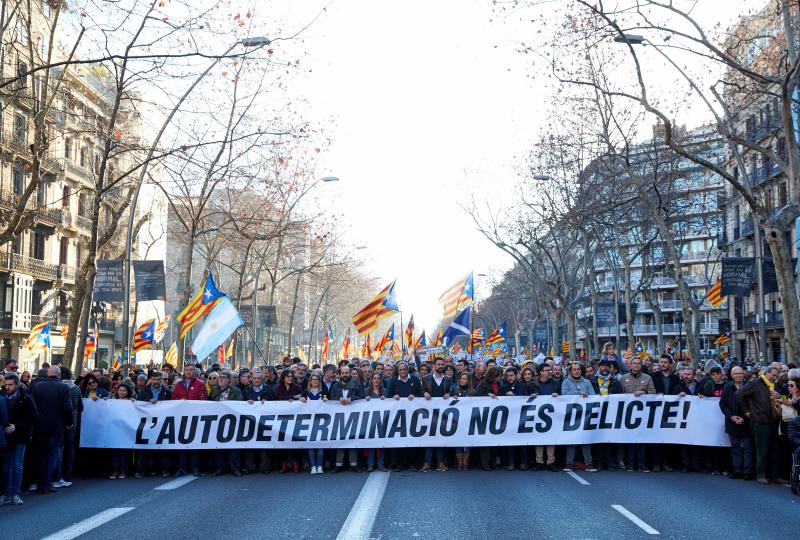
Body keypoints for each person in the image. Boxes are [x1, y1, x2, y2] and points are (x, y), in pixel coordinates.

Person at [31, 365, 73, 495]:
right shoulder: (63, 387)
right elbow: (68, 408)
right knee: (52, 455)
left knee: (41, 455)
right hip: (56, 427)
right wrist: (69, 423)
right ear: (59, 375)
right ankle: (47, 483)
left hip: (40, 427)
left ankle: (40, 483)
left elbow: (33, 406)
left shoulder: (37, 387)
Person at [736, 365, 781, 484]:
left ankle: (774, 475)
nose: (774, 378)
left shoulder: (774, 385)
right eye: (773, 375)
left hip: (773, 420)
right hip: (760, 421)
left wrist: (779, 396)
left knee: (775, 450)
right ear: (767, 373)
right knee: (762, 450)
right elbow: (739, 394)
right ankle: (761, 474)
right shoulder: (755, 383)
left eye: (776, 376)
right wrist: (746, 411)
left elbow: (783, 399)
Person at [2, 373, 37, 506]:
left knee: (17, 465)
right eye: (6, 385)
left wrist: (17, 426)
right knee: (6, 466)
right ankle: (6, 494)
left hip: (21, 436)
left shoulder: (25, 397)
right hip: (6, 436)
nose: (8, 387)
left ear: (16, 384)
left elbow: (34, 416)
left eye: (10, 385)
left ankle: (15, 493)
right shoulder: (3, 397)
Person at [619, 357, 656, 472]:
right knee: (630, 440)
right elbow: (618, 395)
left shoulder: (647, 377)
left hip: (643, 414)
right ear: (630, 365)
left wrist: (644, 392)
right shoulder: (623, 378)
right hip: (628, 414)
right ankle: (630, 464)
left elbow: (653, 392)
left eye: (638, 364)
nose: (636, 366)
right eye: (634, 363)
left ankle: (642, 464)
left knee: (642, 440)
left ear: (641, 365)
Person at [171, 363, 207, 477]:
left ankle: (195, 468)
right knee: (182, 444)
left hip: (195, 418)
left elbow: (203, 400)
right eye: (186, 370)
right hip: (181, 418)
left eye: (191, 370)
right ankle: (182, 468)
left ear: (195, 371)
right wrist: (180, 400)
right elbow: (173, 399)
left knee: (194, 444)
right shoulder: (179, 385)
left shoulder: (200, 384)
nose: (189, 372)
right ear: (184, 371)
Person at [387, 362, 423, 471]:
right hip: (398, 415)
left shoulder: (415, 380)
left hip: (412, 415)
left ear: (408, 370)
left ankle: (411, 463)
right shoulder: (393, 381)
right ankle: (398, 464)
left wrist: (415, 395)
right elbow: (389, 395)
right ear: (397, 371)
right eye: (400, 370)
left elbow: (420, 393)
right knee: (399, 439)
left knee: (411, 439)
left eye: (404, 369)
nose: (402, 372)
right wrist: (394, 396)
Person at [720, 365, 753, 480]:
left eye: (740, 373)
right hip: (732, 422)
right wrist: (731, 417)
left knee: (748, 448)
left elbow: (753, 404)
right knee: (735, 447)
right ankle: (737, 469)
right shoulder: (727, 386)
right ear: (732, 375)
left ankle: (747, 471)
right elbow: (722, 404)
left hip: (747, 422)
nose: (738, 375)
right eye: (736, 374)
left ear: (744, 374)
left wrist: (745, 416)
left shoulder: (750, 386)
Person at [561, 363, 596, 472]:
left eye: (578, 369)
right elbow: (564, 394)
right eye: (574, 369)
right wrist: (578, 393)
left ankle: (588, 463)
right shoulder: (566, 382)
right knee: (571, 439)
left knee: (585, 439)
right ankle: (569, 463)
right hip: (571, 415)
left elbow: (593, 396)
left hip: (585, 415)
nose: (576, 371)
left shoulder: (587, 382)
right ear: (570, 371)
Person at [136, 371, 171, 478]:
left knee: (163, 447)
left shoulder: (167, 392)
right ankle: (143, 470)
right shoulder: (145, 391)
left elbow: (171, 404)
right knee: (145, 447)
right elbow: (139, 402)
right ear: (151, 380)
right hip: (147, 422)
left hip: (162, 422)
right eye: (154, 379)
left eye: (158, 379)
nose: (156, 381)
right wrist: (148, 400)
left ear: (161, 380)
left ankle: (164, 469)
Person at [330, 365, 364, 472]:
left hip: (353, 416)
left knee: (352, 439)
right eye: (343, 373)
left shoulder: (357, 384)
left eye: (347, 373)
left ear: (350, 374)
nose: (345, 375)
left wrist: (352, 398)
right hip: (339, 417)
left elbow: (361, 397)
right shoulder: (335, 385)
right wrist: (338, 398)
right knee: (340, 440)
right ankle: (339, 464)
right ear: (340, 374)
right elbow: (331, 398)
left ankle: (354, 464)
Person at [209, 371, 243, 477]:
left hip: (232, 422)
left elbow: (240, 404)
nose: (220, 379)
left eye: (223, 377)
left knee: (233, 446)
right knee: (219, 446)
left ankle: (235, 468)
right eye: (219, 378)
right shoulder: (214, 390)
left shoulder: (236, 391)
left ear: (229, 380)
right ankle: (220, 467)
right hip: (218, 422)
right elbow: (208, 404)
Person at [421, 357, 451, 472]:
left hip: (443, 413)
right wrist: (424, 393)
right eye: (438, 364)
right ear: (433, 366)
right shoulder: (426, 379)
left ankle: (440, 462)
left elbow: (450, 391)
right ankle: (427, 462)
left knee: (440, 437)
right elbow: (420, 391)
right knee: (429, 438)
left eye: (442, 364)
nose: (440, 366)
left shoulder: (448, 379)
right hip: (429, 412)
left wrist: (448, 393)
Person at [54, 366, 81, 489]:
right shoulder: (75, 389)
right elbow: (80, 407)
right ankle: (68, 474)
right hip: (72, 422)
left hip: (59, 422)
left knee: (59, 449)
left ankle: (57, 475)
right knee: (70, 449)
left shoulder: (57, 388)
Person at [243, 368, 274, 475]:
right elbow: (241, 404)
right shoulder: (246, 390)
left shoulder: (268, 389)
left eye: (259, 378)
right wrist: (246, 402)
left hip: (264, 422)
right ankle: (250, 467)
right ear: (251, 379)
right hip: (250, 421)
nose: (256, 380)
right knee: (250, 444)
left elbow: (275, 402)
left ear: (262, 379)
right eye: (255, 378)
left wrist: (268, 402)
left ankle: (265, 467)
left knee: (264, 445)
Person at [274, 370, 303, 473]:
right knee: (283, 442)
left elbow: (301, 397)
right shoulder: (278, 388)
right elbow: (277, 397)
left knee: (294, 442)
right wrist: (291, 397)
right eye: (287, 376)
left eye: (291, 376)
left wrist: (294, 398)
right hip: (282, 418)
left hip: (294, 418)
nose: (290, 378)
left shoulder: (297, 388)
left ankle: (296, 464)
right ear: (283, 378)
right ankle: (284, 464)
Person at [534, 363, 560, 471]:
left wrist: (557, 395)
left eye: (550, 370)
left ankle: (550, 462)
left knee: (550, 438)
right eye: (546, 370)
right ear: (541, 372)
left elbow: (561, 397)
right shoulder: (533, 383)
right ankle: (539, 461)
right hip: (537, 415)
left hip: (551, 415)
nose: (549, 372)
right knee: (538, 439)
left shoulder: (555, 383)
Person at [300, 372, 326, 474]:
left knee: (320, 445)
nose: (315, 381)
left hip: (321, 422)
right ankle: (313, 466)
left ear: (319, 381)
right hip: (309, 421)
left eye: (317, 379)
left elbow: (327, 400)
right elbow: (301, 400)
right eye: (313, 379)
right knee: (310, 445)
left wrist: (325, 400)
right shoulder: (306, 392)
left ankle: (320, 466)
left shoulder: (323, 391)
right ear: (310, 381)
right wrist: (301, 399)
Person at [110, 382, 136, 479]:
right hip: (115, 429)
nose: (121, 392)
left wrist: (133, 402)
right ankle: (115, 470)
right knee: (115, 451)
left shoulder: (131, 401)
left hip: (126, 429)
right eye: (120, 390)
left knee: (125, 451)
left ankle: (123, 471)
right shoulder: (112, 401)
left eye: (124, 390)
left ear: (127, 392)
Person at [364, 372, 387, 472]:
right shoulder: (366, 391)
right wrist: (365, 399)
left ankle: (380, 464)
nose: (376, 380)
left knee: (381, 443)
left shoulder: (385, 391)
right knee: (371, 443)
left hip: (382, 421)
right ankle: (370, 464)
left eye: (378, 378)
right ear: (371, 380)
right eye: (374, 378)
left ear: (380, 380)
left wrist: (386, 399)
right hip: (369, 421)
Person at [452, 371, 473, 471]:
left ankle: (465, 463)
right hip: (457, 421)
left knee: (467, 442)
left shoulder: (473, 391)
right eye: (461, 378)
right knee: (458, 441)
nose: (462, 380)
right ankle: (459, 463)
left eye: (464, 379)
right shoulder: (455, 390)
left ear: (468, 381)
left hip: (468, 421)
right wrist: (452, 398)